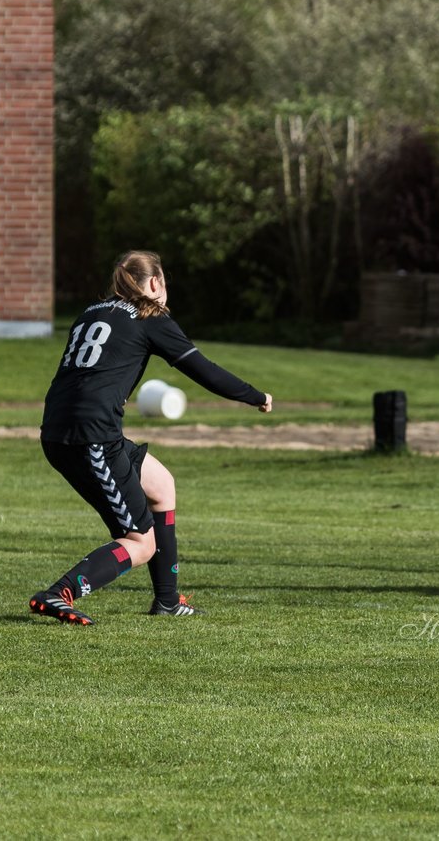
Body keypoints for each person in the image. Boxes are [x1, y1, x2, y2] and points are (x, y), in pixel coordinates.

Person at [28, 250, 273, 625]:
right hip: (90, 435)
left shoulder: (91, 312)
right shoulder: (150, 315)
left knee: (161, 485)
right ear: (155, 283)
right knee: (141, 541)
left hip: (66, 427)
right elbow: (202, 369)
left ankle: (168, 601)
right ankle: (59, 593)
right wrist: (257, 396)